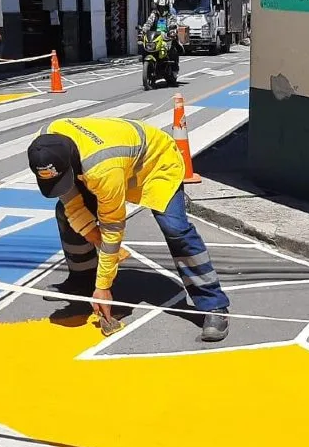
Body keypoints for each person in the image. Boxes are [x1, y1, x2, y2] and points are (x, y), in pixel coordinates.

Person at [26, 117, 231, 342]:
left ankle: (214, 305)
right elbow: (72, 203)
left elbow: (112, 229)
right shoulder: (44, 144)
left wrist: (103, 287)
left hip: (156, 164)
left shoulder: (102, 167)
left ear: (71, 162)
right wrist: (90, 235)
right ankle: (82, 281)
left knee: (175, 228)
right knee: (65, 214)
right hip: (112, 164)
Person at [141, 0, 183, 71]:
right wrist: (144, 30)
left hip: (167, 37)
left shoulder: (170, 15)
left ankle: (174, 69)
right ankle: (147, 66)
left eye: (163, 7)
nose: (161, 9)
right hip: (154, 37)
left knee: (172, 50)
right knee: (144, 48)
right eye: (160, 7)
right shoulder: (154, 15)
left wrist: (172, 31)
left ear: (166, 7)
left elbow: (173, 24)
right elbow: (148, 23)